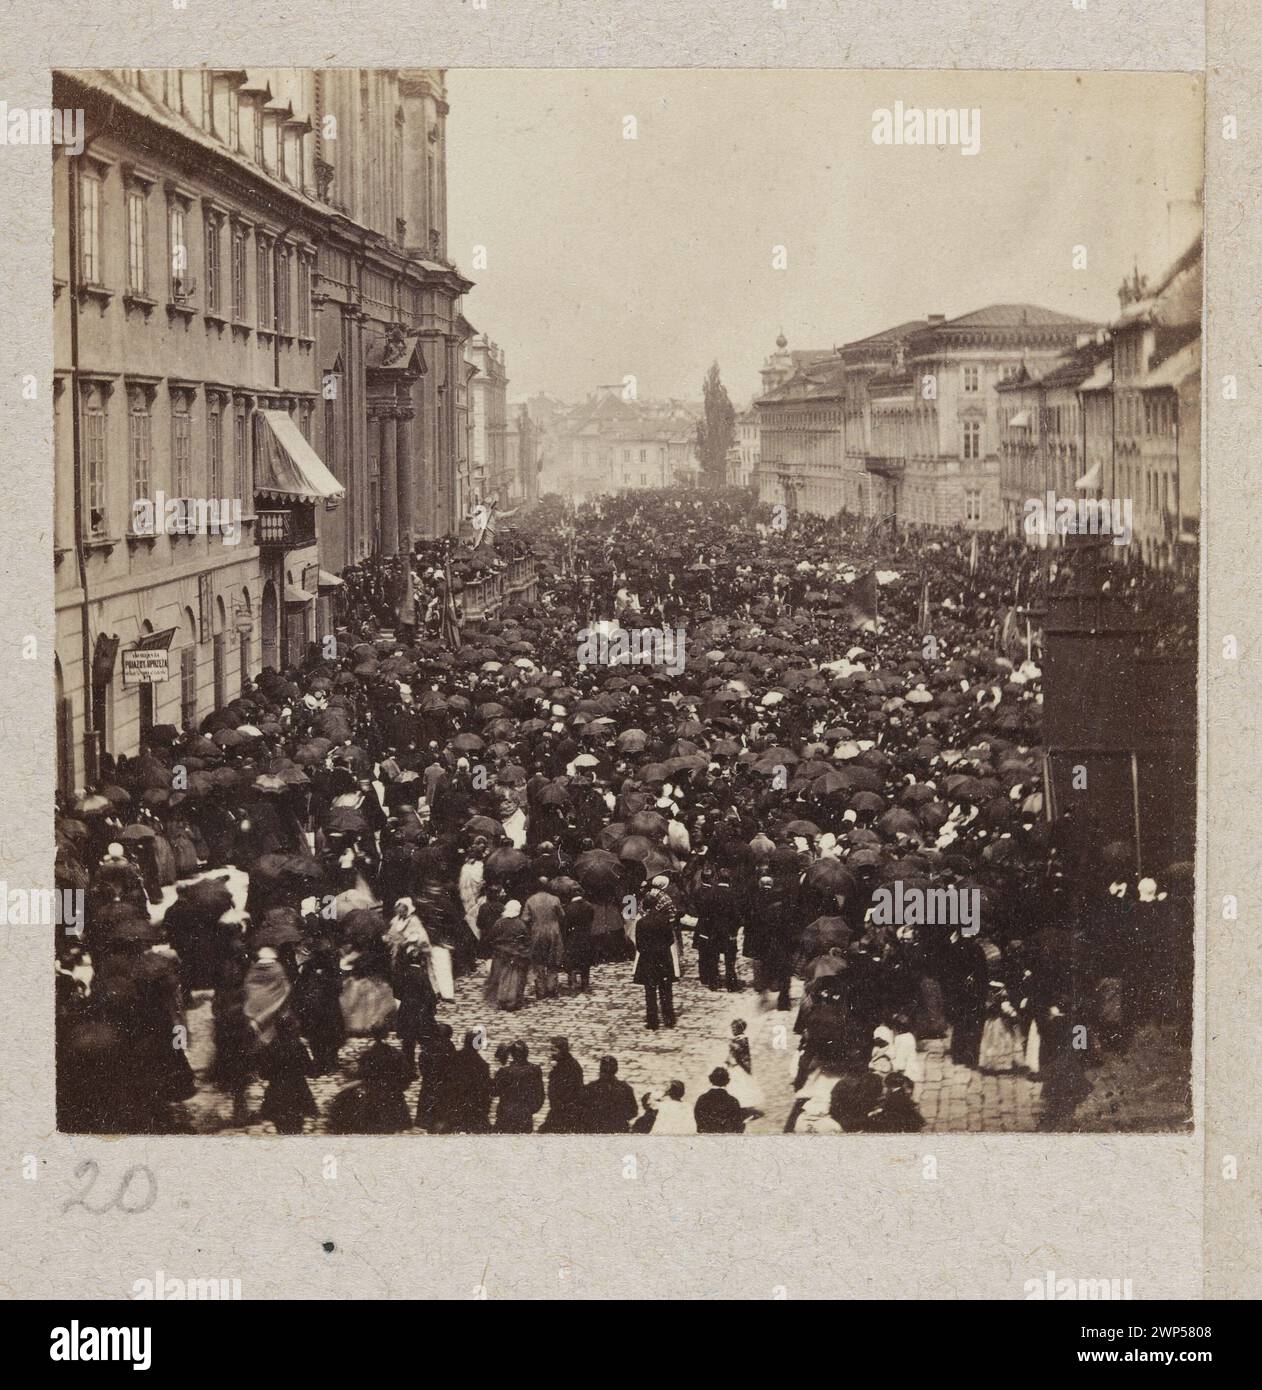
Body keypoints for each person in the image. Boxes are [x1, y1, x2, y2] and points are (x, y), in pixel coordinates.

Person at [633, 875, 679, 1030]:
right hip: (663, 958)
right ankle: (669, 1019)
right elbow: (670, 940)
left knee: (650, 992)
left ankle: (652, 1021)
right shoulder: (664, 920)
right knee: (666, 990)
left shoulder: (641, 923)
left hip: (648, 960)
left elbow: (638, 945)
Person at [483, 900, 531, 1012]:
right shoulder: (520, 924)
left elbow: (490, 938)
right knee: (515, 979)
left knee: (498, 977)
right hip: (515, 955)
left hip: (500, 954)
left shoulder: (499, 922)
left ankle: (498, 1000)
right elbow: (526, 941)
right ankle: (513, 1000)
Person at [492, 1040, 545, 1133]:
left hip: (505, 1116)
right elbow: (540, 1097)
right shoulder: (535, 1070)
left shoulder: (504, 1072)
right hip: (525, 1117)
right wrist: (529, 1110)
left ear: (512, 1055)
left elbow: (493, 1092)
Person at [581, 1055, 638, 1134]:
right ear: (616, 1070)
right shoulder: (625, 1088)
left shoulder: (590, 1088)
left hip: (596, 1131)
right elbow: (633, 1111)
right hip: (619, 1130)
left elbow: (583, 1112)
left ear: (600, 1069)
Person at [540, 1036, 585, 1133]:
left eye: (554, 1050)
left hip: (564, 1114)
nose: (551, 1054)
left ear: (562, 1051)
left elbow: (568, 1093)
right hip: (560, 1111)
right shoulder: (563, 1064)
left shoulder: (570, 1067)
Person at [561, 887, 594, 993]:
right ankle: (585, 984)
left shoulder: (569, 908)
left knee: (572, 960)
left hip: (573, 936)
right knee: (585, 961)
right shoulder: (589, 906)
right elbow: (591, 919)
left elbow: (566, 924)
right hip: (586, 936)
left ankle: (573, 983)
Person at [693, 1067, 745, 1134]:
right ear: (728, 1081)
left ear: (710, 1079)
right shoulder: (733, 1101)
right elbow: (736, 1125)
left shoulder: (702, 1099)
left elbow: (699, 1123)